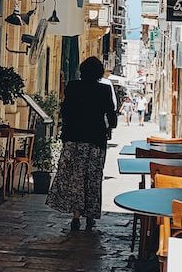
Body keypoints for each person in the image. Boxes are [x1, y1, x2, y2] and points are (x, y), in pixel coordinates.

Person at [46, 57, 114, 231]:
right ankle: (90, 216)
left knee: (75, 178)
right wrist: (109, 125)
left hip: (74, 139)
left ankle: (76, 215)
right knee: (92, 178)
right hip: (95, 141)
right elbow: (111, 117)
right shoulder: (104, 90)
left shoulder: (73, 86)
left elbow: (65, 110)